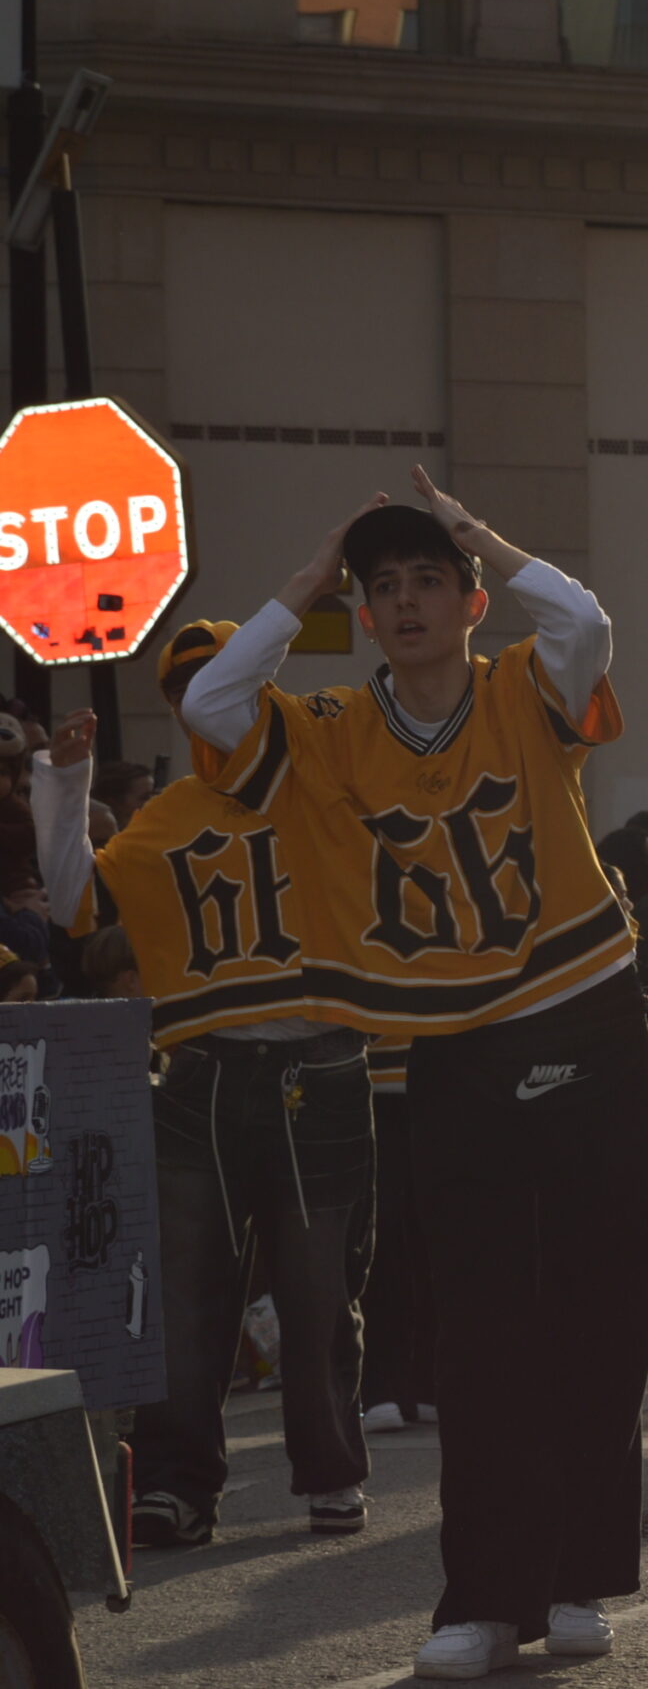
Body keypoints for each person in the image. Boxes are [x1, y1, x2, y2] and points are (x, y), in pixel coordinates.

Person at [182, 472, 648, 1680]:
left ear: (468, 597)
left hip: (591, 1020)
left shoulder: (524, 686)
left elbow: (586, 624)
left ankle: (581, 1576)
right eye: (381, 588)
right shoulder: (335, 728)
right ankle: (486, 1596)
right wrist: (307, 580)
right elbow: (214, 694)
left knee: (601, 1320)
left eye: (426, 582)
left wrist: (476, 528)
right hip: (454, 1044)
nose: (404, 603)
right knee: (484, 1335)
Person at [32, 636, 373, 1549]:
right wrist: (64, 785)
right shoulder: (170, 813)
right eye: (183, 689)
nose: (202, 700)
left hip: (323, 1064)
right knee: (185, 1294)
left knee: (316, 1290)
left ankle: (331, 1471)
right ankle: (180, 1484)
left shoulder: (326, 784)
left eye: (217, 682)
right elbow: (77, 906)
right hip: (205, 1071)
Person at [359, 1037, 440, 1436]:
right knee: (382, 1244)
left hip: (440, 1078)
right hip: (368, 1089)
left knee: (434, 1239)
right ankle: (381, 1386)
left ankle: (423, 1381)